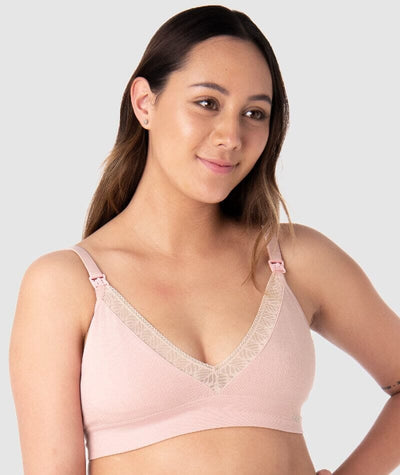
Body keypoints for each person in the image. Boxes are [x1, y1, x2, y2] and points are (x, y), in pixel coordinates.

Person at [8, 5, 400, 475]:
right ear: (144, 103)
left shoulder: (295, 259)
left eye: (254, 113)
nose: (231, 136)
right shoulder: (65, 284)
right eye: (208, 103)